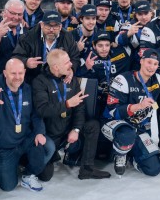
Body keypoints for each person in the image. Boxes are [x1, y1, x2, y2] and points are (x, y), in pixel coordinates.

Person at [103, 49, 160, 175]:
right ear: (141, 61)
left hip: (139, 128)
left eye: (155, 64)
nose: (152, 67)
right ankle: (120, 154)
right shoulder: (123, 79)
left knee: (154, 169)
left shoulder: (158, 79)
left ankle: (132, 157)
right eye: (149, 62)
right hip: (115, 124)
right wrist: (138, 106)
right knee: (127, 135)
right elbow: (113, 112)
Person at [32, 49, 109, 180]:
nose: (71, 65)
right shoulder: (40, 82)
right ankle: (52, 154)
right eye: (67, 62)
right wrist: (67, 104)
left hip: (68, 128)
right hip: (50, 134)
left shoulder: (70, 78)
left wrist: (76, 129)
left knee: (93, 125)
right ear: (56, 67)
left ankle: (87, 169)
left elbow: (79, 106)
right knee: (45, 176)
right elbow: (42, 110)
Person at [0, 58, 55, 192]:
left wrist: (39, 132)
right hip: (5, 148)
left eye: (20, 73)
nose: (17, 77)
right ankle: (12, 165)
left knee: (48, 146)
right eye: (13, 73)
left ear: (25, 72)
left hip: (24, 140)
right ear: (5, 73)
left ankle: (28, 174)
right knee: (8, 187)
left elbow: (35, 115)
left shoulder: (26, 89)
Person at [12, 11, 82, 82]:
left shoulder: (68, 37)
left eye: (55, 26)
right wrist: (26, 62)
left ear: (60, 27)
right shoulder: (28, 37)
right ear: (42, 25)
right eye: (48, 26)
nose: (51, 30)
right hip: (33, 79)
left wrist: (71, 70)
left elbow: (75, 57)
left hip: (59, 79)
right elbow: (16, 57)